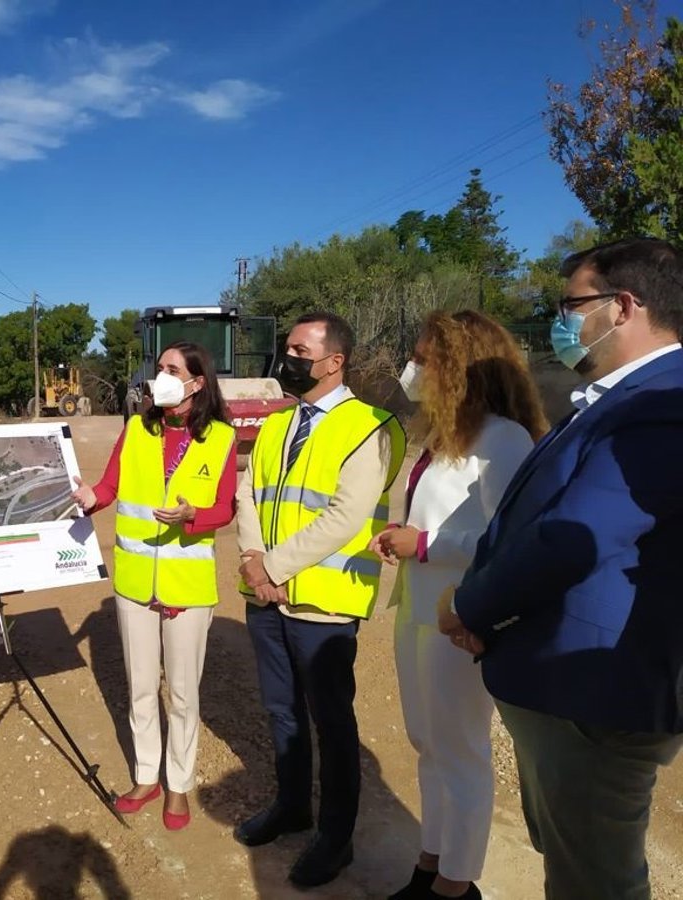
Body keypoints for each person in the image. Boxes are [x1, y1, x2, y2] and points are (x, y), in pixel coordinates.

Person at [439, 238, 683, 900]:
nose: (560, 319)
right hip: (567, 688)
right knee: (572, 863)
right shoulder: (614, 399)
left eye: (571, 304)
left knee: (595, 881)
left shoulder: (661, 400)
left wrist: (468, 605)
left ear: (623, 306)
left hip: (595, 695)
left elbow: (574, 539)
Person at [371, 311, 547, 900]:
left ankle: (456, 882)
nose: (413, 369)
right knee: (427, 742)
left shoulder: (503, 439)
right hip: (418, 609)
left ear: (459, 366)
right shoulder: (446, 432)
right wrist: (405, 538)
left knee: (461, 750)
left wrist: (423, 544)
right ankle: (431, 861)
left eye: (424, 358)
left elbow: (513, 539)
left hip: (462, 617)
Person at [236, 311, 405, 888]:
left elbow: (346, 515)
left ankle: (336, 838)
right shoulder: (279, 422)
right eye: (287, 349)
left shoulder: (369, 426)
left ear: (335, 361)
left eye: (300, 352)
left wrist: (273, 565)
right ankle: (291, 807)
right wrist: (252, 558)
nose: (287, 359)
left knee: (331, 723)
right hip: (265, 595)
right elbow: (249, 492)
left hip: (325, 605)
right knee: (280, 711)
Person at [72, 341, 237, 831]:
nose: (159, 376)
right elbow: (111, 486)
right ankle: (147, 777)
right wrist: (91, 497)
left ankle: (179, 785)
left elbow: (225, 508)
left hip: (187, 587)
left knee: (183, 695)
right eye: (158, 367)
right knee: (141, 688)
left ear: (197, 382)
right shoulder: (136, 430)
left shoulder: (222, 438)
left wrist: (193, 515)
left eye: (172, 369)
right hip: (135, 584)